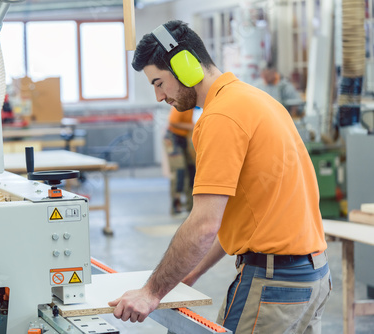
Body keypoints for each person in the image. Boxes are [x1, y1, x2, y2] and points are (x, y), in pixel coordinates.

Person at [108, 20, 331, 333]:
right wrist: (189, 273)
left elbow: (204, 225)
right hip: (314, 277)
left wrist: (150, 292)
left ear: (185, 65)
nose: (159, 96)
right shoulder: (257, 100)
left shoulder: (220, 117)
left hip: (275, 283)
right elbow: (234, 219)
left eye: (159, 82)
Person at [164, 106, 196, 214]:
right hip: (173, 138)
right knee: (179, 170)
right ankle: (175, 205)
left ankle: (190, 205)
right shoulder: (182, 104)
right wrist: (192, 126)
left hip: (184, 138)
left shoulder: (191, 107)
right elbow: (173, 121)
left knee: (191, 168)